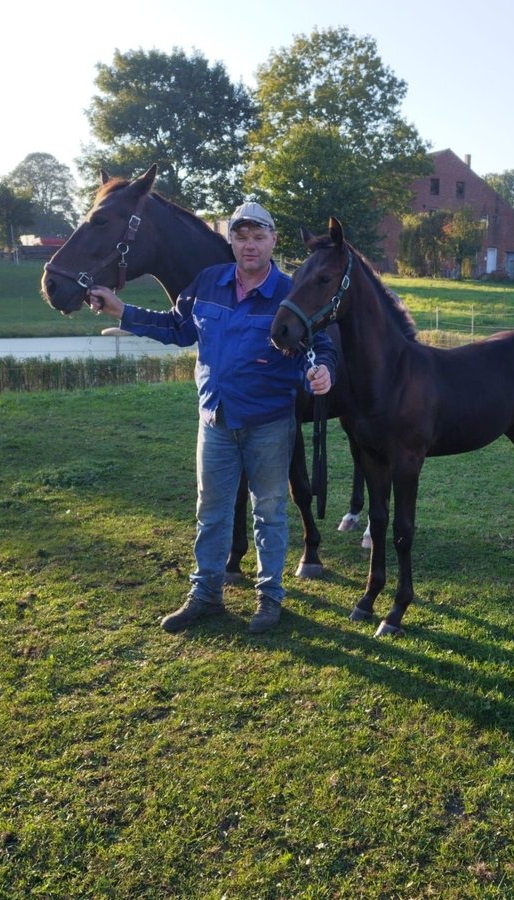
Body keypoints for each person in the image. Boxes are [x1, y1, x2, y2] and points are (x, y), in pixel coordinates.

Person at [87, 201, 335, 634]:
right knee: (212, 512)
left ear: (273, 241)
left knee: (271, 512)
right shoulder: (207, 283)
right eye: (241, 237)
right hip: (215, 420)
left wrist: (321, 370)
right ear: (231, 242)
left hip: (269, 423)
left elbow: (318, 346)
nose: (249, 245)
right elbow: (177, 327)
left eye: (259, 237)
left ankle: (269, 599)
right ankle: (205, 595)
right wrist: (122, 311)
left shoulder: (288, 292)